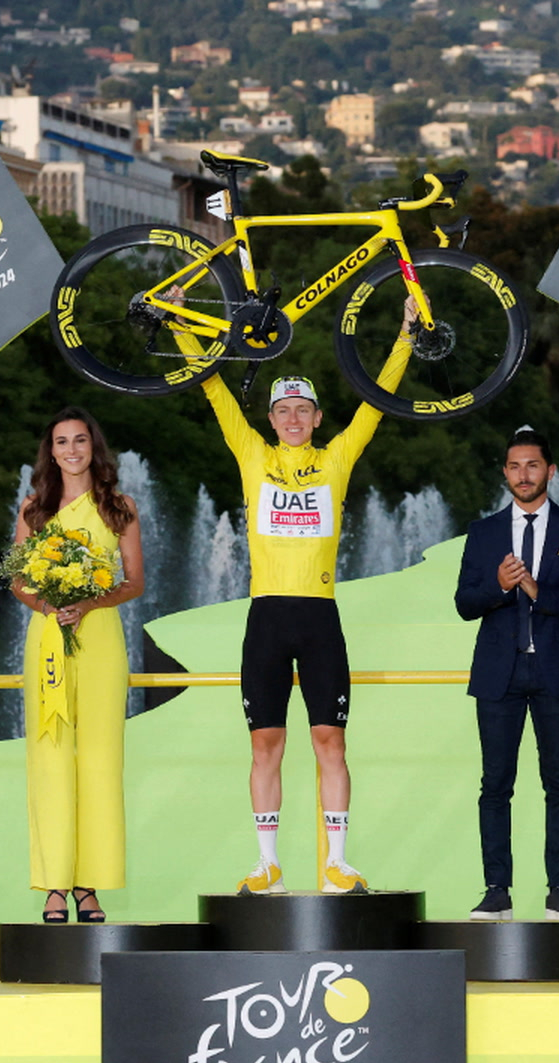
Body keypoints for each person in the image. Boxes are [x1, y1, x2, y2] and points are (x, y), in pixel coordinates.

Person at [183, 299, 416, 896]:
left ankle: (338, 863)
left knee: (328, 739)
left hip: (319, 617)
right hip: (266, 615)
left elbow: (376, 405)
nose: (291, 418)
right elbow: (213, 391)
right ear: (270, 418)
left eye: (301, 410)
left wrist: (407, 337)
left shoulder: (335, 458)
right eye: (282, 409)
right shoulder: (253, 456)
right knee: (267, 743)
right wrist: (183, 324)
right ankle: (268, 865)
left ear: (316, 419)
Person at [454, 427, 559, 921]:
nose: (523, 475)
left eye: (532, 466)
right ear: (505, 473)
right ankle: (496, 888)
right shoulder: (483, 532)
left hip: (557, 671)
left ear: (550, 471)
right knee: (495, 784)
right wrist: (499, 587)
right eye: (515, 466)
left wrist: (538, 591)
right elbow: (464, 604)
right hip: (500, 673)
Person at [10, 407, 145, 925]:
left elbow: (134, 582)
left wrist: (88, 602)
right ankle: (54, 885)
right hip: (47, 640)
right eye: (61, 442)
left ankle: (89, 886)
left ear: (94, 447)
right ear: (50, 451)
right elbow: (20, 580)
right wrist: (47, 604)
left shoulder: (119, 507)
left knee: (99, 762)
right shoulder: (34, 510)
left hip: (100, 642)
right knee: (50, 759)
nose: (71, 450)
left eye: (80, 440)